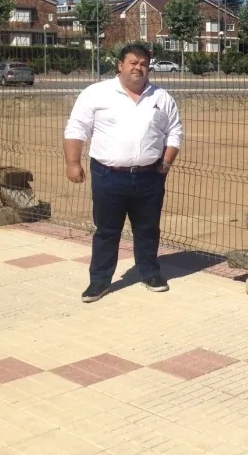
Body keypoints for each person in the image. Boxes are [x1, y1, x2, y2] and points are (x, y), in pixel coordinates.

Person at [63, 44, 184, 303]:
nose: (138, 67)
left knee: (148, 229)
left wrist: (166, 163)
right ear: (120, 65)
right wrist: (73, 162)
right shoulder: (97, 94)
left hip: (150, 176)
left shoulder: (161, 98)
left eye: (143, 63)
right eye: (133, 62)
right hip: (109, 176)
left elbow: (174, 131)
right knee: (107, 230)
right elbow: (76, 128)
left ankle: (150, 273)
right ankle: (99, 281)